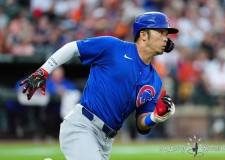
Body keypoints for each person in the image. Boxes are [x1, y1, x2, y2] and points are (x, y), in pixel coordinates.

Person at [20, 11, 178, 160]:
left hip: (106, 140)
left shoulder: (155, 80)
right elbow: (72, 47)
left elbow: (141, 125)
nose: (166, 38)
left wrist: (155, 117)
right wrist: (43, 72)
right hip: (82, 125)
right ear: (143, 35)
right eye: (161, 32)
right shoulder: (113, 47)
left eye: (166, 34)